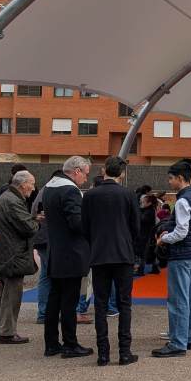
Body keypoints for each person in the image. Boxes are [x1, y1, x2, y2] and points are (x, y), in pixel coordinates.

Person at [82, 156, 140, 366]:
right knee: (125, 304)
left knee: (100, 304)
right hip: (123, 253)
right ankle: (124, 351)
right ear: (122, 173)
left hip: (99, 254)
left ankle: (103, 353)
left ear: (104, 169)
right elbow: (136, 227)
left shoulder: (90, 195)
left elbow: (85, 226)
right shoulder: (128, 194)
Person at [153, 161, 191, 358]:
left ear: (180, 178)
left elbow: (181, 231)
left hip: (182, 253)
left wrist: (163, 239)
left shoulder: (182, 200)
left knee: (178, 299)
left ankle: (178, 342)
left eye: (171, 178)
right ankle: (190, 338)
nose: (169, 182)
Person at [42, 156, 93, 359]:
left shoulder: (49, 187)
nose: (86, 179)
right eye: (86, 174)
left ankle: (51, 343)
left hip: (56, 252)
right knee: (69, 302)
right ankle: (70, 344)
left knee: (54, 300)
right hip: (71, 253)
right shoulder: (70, 190)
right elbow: (76, 223)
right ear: (77, 171)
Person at [0, 170, 39, 345]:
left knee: (2, 294)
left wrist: (32, 219)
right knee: (12, 295)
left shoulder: (7, 197)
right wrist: (36, 221)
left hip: (3, 255)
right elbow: (28, 227)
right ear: (23, 184)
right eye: (32, 183)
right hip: (12, 256)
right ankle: (7, 332)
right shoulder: (13, 201)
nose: (33, 187)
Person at [32, 169, 62, 324]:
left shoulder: (43, 191)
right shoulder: (52, 191)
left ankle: (44, 312)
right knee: (50, 275)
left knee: (45, 275)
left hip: (41, 237)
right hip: (48, 239)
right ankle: (45, 313)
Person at [136, 193, 159, 276]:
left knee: (143, 253)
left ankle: (141, 269)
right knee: (151, 252)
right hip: (148, 234)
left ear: (149, 203)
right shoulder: (150, 210)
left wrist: (138, 211)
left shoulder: (149, 211)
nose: (142, 203)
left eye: (143, 202)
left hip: (147, 235)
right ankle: (155, 267)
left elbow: (142, 220)